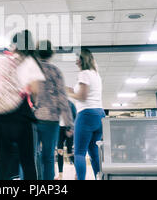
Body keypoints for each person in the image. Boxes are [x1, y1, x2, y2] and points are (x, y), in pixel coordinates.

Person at [0, 30, 45, 180]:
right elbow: (34, 90)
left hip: (0, 116)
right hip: (21, 116)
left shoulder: (2, 59)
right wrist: (33, 103)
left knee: (1, 162)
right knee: (27, 161)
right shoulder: (29, 62)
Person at [34, 40, 74, 180]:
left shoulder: (31, 70)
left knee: (29, 156)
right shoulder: (55, 71)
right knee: (49, 157)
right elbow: (63, 99)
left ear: (37, 52)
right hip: (51, 121)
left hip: (31, 119)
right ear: (51, 54)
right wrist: (69, 124)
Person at [66, 49, 105, 180]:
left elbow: (82, 96)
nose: (76, 61)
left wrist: (68, 94)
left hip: (86, 114)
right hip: (99, 115)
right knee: (94, 153)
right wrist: (67, 89)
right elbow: (79, 91)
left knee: (79, 153)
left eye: (78, 58)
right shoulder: (95, 74)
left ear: (83, 59)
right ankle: (99, 178)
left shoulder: (83, 73)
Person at [55, 100, 77, 180]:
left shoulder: (71, 104)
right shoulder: (56, 102)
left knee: (69, 152)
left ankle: (78, 171)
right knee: (59, 152)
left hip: (69, 128)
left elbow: (75, 116)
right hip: (59, 129)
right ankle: (60, 176)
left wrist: (72, 128)